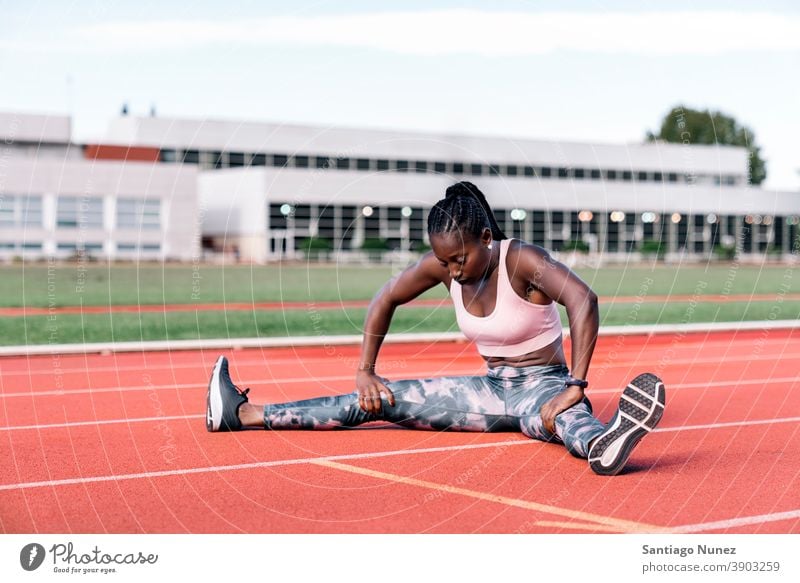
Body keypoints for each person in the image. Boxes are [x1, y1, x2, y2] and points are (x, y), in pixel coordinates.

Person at [206, 182, 666, 476]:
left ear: (486, 238)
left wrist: (575, 385)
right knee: (376, 401)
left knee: (563, 417)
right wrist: (366, 369)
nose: (453, 270)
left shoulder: (521, 260)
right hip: (488, 391)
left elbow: (583, 300)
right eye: (443, 260)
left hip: (542, 386)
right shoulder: (446, 267)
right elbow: (386, 296)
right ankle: (242, 413)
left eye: (459, 258)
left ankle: (602, 443)